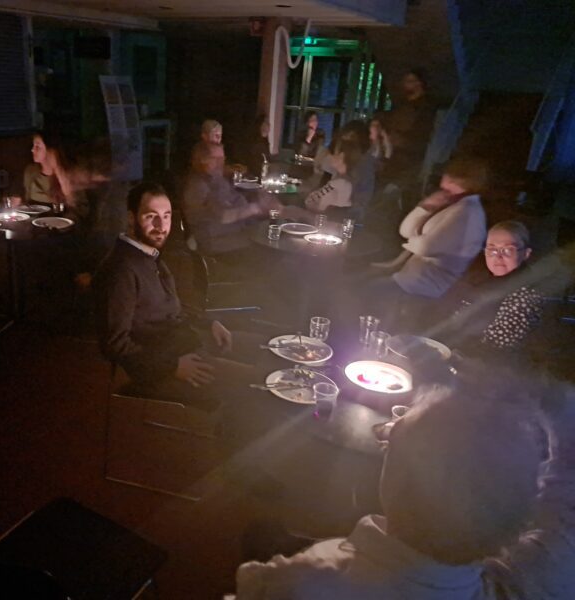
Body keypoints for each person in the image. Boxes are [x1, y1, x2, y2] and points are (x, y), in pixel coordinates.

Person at [233, 370, 575, 599]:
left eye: (395, 436)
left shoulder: (314, 580)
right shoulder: (528, 575)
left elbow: (251, 584)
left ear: (392, 486)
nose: (387, 433)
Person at [93, 182, 257, 408]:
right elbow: (115, 345)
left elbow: (171, 307)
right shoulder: (121, 270)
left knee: (264, 348)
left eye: (166, 216)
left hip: (181, 341)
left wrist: (209, 322)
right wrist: (173, 366)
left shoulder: (147, 255)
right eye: (151, 216)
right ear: (131, 218)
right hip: (161, 366)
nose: (161, 226)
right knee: (256, 382)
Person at [375, 157, 488, 300]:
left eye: (448, 184)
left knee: (363, 291)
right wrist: (426, 206)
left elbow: (425, 247)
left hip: (424, 287)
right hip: (408, 278)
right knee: (363, 282)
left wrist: (413, 242)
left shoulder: (467, 212)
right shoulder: (453, 204)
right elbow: (405, 231)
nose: (442, 189)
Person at [438, 221, 544, 353]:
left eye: (508, 250)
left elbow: (499, 344)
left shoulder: (525, 294)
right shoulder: (479, 278)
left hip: (488, 360)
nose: (498, 257)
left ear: (526, 254)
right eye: (492, 249)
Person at [182, 142, 274, 257]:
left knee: (271, 235)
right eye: (215, 159)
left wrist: (261, 206)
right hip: (216, 242)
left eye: (222, 158)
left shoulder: (217, 178)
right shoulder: (198, 185)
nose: (220, 163)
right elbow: (223, 216)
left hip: (233, 232)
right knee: (268, 250)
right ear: (203, 160)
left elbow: (236, 199)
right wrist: (255, 208)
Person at [380, 69, 437, 201]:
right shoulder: (403, 106)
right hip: (395, 158)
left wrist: (400, 140)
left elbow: (421, 138)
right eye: (405, 81)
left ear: (419, 83)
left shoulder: (425, 109)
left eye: (410, 81)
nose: (405, 84)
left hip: (409, 162)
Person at [22, 130, 54, 204]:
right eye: (33, 146)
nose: (32, 150)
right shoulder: (30, 171)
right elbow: (27, 201)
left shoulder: (64, 174)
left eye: (37, 146)